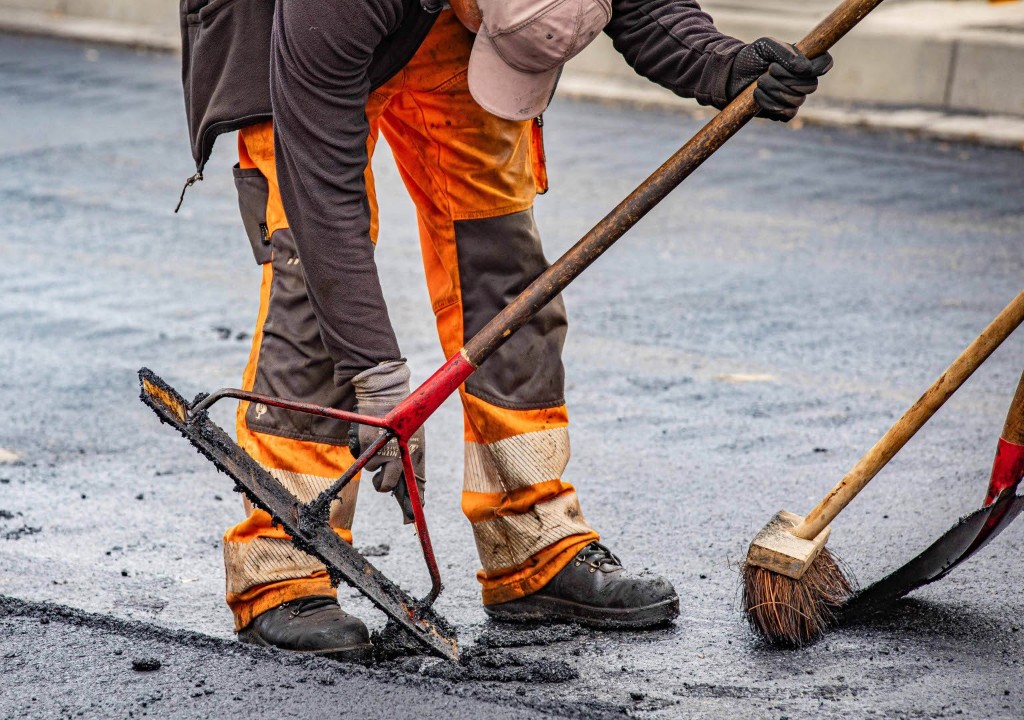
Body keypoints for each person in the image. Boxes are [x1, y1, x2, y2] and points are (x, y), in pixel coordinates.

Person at [176, 0, 832, 655]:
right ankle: (284, 565)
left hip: (442, 25)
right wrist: (374, 369)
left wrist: (725, 67)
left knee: (504, 265)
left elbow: (646, 6)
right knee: (310, 291)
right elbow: (322, 195)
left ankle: (531, 542)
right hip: (303, 28)